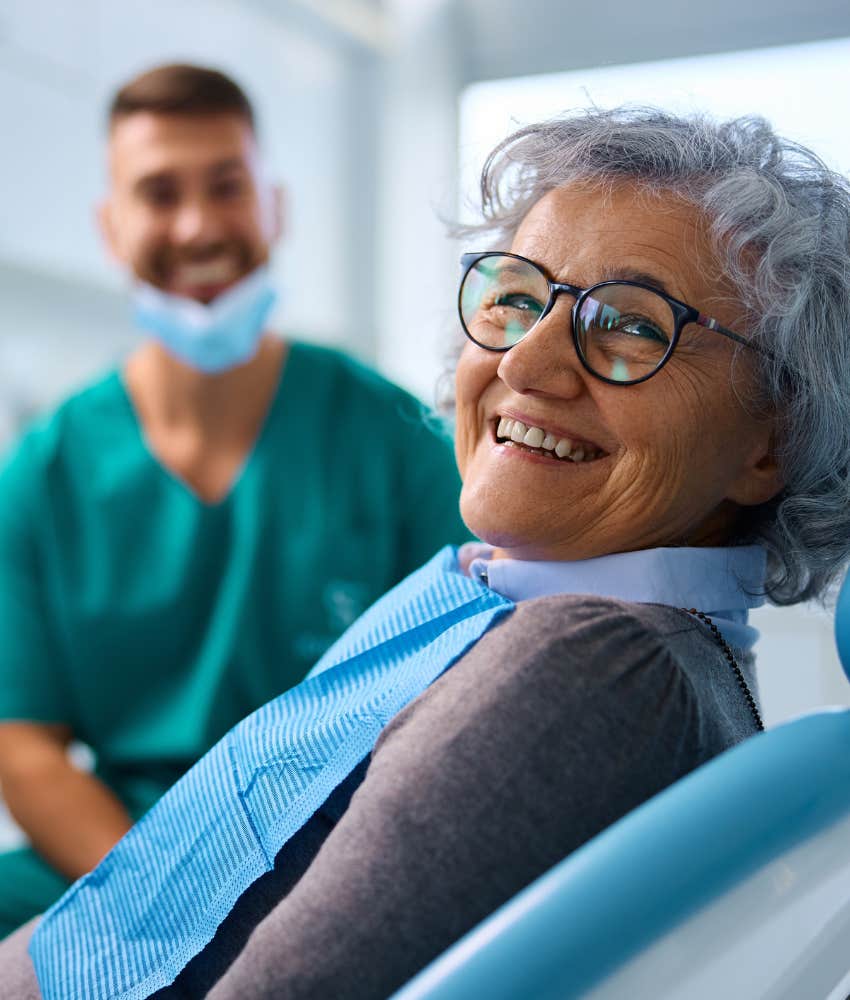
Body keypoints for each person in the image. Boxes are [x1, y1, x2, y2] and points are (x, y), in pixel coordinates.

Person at [2, 105, 850, 1000]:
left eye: (633, 325)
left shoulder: (591, 665)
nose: (524, 363)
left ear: (774, 440)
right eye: (518, 298)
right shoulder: (525, 607)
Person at [0, 63, 468, 938]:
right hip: (124, 851)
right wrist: (158, 899)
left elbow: (466, 691)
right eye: (159, 193)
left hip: (348, 843)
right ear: (111, 227)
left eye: (227, 187)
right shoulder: (43, 474)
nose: (198, 225)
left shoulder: (394, 438)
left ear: (274, 208)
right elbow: (22, 745)